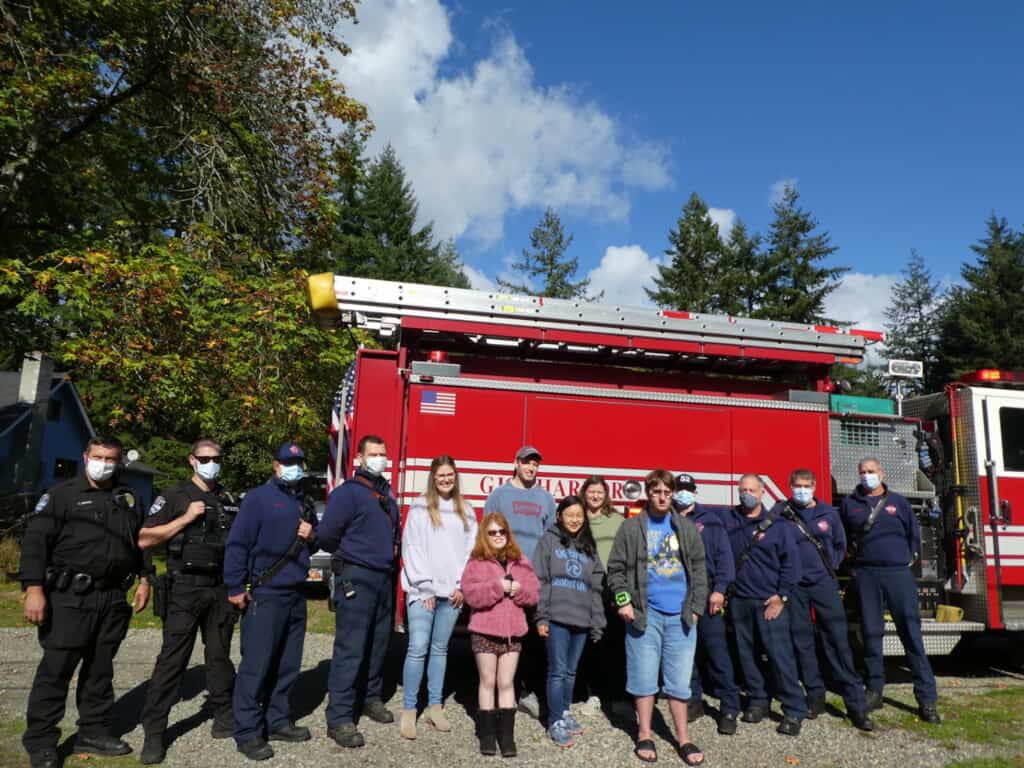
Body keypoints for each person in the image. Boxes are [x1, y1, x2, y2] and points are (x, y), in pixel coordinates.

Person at [19, 436, 151, 768]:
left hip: (112, 598)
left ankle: (93, 730)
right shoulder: (61, 496)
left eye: (111, 459)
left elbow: (141, 542)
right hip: (69, 598)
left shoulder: (129, 497)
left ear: (120, 462)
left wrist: (146, 579)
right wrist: (33, 588)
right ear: (85, 457)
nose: (104, 463)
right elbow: (35, 543)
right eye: (98, 457)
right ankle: (42, 740)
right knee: (56, 670)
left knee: (100, 670)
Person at [137, 438, 243, 764]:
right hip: (184, 588)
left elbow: (239, 544)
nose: (211, 463)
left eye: (216, 458)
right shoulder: (174, 496)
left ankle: (223, 715)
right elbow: (143, 538)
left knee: (219, 657)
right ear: (192, 460)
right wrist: (184, 518)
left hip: (220, 588)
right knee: (172, 660)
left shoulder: (229, 499)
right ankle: (155, 731)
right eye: (205, 458)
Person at [607, 469, 708, 766]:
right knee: (644, 679)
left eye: (667, 492)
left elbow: (700, 570)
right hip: (644, 616)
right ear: (648, 494)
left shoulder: (685, 528)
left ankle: (683, 738)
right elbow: (615, 570)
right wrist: (624, 602)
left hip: (681, 617)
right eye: (656, 492)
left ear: (672, 494)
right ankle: (645, 734)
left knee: (678, 682)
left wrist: (696, 607)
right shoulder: (631, 528)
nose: (662, 497)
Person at [223, 442, 317, 761]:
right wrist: (235, 586)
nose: (295, 467)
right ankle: (248, 730)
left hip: (296, 593)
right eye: (289, 462)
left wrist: (311, 535)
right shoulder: (258, 499)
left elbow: (309, 545)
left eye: (299, 462)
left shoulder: (303, 500)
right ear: (275, 465)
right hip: (266, 593)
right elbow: (237, 544)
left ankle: (277, 720)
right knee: (257, 665)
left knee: (288, 665)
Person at [770, 469, 875, 732]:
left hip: (823, 585)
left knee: (837, 642)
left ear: (814, 487)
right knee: (802, 643)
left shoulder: (828, 514)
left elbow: (841, 545)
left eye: (806, 485)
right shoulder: (780, 513)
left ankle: (856, 705)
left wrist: (829, 568)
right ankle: (815, 696)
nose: (801, 490)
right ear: (790, 486)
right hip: (795, 588)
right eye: (797, 486)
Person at [840, 456, 940, 724]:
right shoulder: (850, 504)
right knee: (871, 635)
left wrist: (903, 559)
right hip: (867, 574)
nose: (866, 475)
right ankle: (874, 691)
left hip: (897, 574)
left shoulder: (898, 503)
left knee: (911, 634)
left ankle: (927, 699)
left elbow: (913, 536)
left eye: (871, 471)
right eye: (862, 472)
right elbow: (845, 538)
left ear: (881, 473)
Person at [318, 434, 402, 748]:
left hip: (383, 579)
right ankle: (339, 717)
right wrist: (352, 553)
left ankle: (370, 698)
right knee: (350, 649)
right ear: (360, 459)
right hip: (356, 576)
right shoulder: (348, 494)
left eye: (383, 453)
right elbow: (326, 535)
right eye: (374, 453)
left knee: (378, 645)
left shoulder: (386, 494)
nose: (380, 458)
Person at [399, 455, 478, 739]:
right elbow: (412, 547)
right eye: (441, 475)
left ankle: (434, 706)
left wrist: (461, 584)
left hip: (452, 594)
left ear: (455, 477)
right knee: (418, 647)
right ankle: (409, 709)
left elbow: (471, 551)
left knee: (440, 649)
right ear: (433, 477)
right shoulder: (420, 508)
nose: (446, 479)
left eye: (450, 475)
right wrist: (425, 586)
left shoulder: (465, 510)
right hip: (423, 593)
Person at [721, 473, 806, 736]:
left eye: (752, 490)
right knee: (747, 656)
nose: (747, 494)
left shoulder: (778, 527)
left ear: (761, 493)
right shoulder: (728, 520)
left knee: (780, 656)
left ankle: (794, 709)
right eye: (743, 489)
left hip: (769, 602)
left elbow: (792, 566)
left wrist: (781, 597)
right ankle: (758, 700)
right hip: (739, 601)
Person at [483, 445, 555, 720]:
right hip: (506, 576)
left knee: (534, 638)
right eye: (526, 463)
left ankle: (528, 692)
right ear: (516, 463)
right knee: (504, 636)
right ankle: (506, 690)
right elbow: (487, 534)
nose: (531, 468)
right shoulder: (499, 495)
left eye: (535, 464)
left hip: (534, 580)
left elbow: (550, 538)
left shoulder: (546, 498)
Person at [461, 512, 540, 758]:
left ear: (508, 534)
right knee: (487, 682)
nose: (497, 536)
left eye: (501, 532)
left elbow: (534, 593)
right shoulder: (476, 561)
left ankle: (506, 736)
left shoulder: (521, 561)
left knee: (506, 683)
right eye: (492, 532)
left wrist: (519, 590)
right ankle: (486, 735)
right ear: (485, 535)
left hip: (512, 633)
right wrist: (497, 587)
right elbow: (470, 594)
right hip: (485, 630)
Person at [533, 495, 607, 748]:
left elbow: (595, 589)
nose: (574, 519)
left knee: (571, 671)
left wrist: (597, 621)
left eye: (579, 515)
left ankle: (564, 712)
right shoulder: (548, 541)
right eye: (569, 514)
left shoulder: (589, 546)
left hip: (582, 619)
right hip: (556, 617)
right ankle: (554, 721)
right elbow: (540, 580)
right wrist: (541, 616)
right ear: (559, 516)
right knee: (557, 670)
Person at [673, 473, 742, 736]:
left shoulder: (711, 522)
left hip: (707, 593)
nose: (682, 494)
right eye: (678, 489)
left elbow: (725, 559)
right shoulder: (666, 520)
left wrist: (720, 590)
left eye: (687, 490)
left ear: (694, 492)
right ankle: (692, 701)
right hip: (677, 595)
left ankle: (728, 707)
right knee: (684, 653)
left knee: (716, 652)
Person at [576, 476, 625, 714]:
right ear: (584, 493)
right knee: (588, 645)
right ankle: (591, 694)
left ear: (606, 495)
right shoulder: (577, 518)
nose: (595, 496)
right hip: (582, 590)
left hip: (609, 590)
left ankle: (615, 696)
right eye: (591, 491)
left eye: (599, 492)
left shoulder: (617, 521)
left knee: (612, 643)